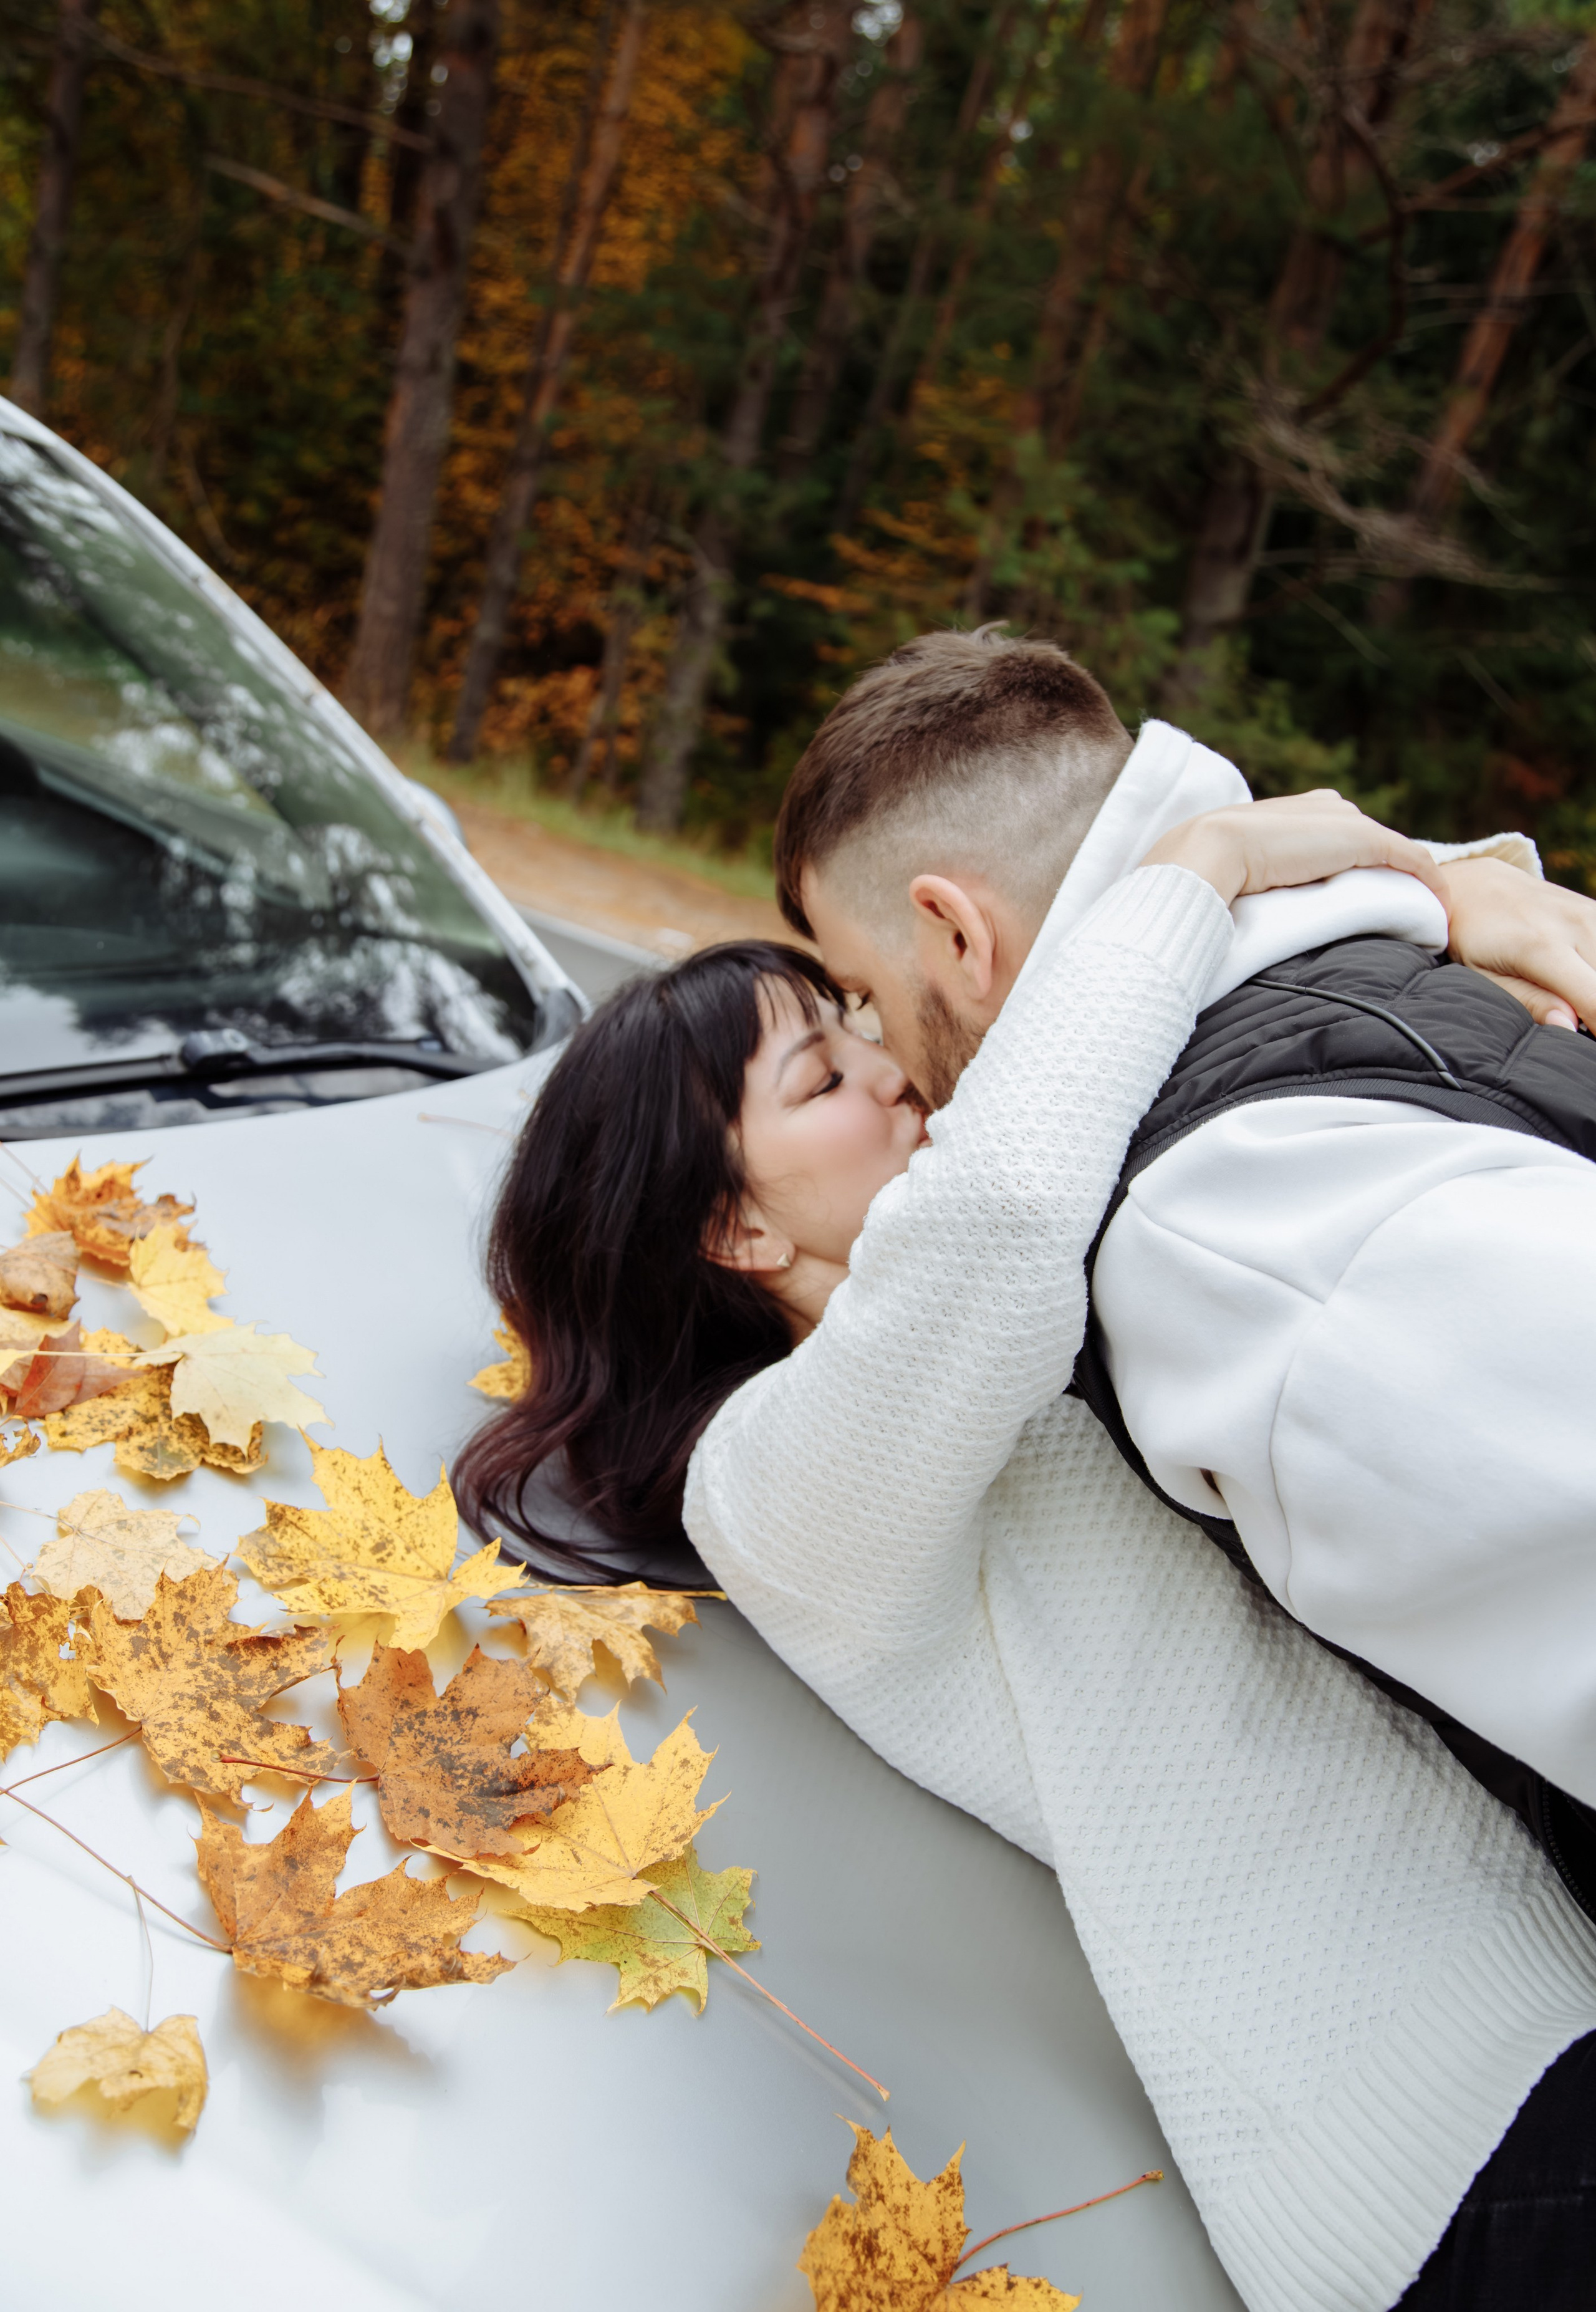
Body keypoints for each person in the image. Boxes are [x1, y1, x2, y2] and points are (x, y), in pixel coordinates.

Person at [456, 774, 1596, 2310]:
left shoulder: (997, 1339)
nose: (893, 1073)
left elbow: (1100, 1022)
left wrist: (1455, 883)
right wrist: (1201, 853)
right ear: (736, 1231)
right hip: (1450, 2150)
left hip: (1544, 2011)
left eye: (859, 1024)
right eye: (823, 1074)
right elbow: (1001, 1195)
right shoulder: (770, 1484)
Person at [769, 629, 1596, 1839]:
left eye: (863, 995)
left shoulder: (1226, 1227)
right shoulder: (1389, 964)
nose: (885, 1057)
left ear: (954, 936)